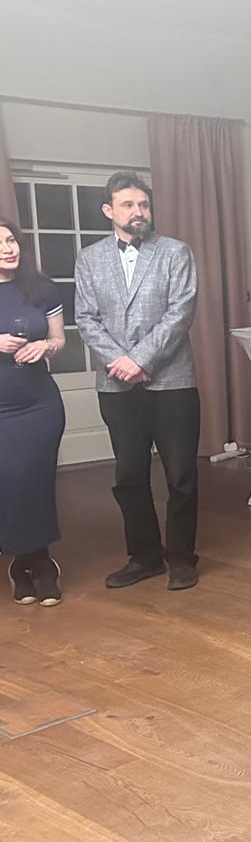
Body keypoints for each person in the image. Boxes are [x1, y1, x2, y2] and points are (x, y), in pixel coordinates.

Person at [74, 172, 201, 591]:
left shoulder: (175, 252)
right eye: (128, 205)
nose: (138, 211)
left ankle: (181, 558)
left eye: (143, 204)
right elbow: (86, 319)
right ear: (108, 210)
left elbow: (180, 313)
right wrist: (122, 363)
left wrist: (141, 359)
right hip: (117, 385)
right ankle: (144, 556)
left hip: (172, 381)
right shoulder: (89, 258)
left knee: (181, 475)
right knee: (129, 475)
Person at [0, 216, 68, 606]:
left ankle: (39, 563)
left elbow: (58, 339)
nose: (8, 248)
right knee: (10, 481)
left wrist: (45, 347)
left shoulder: (42, 288)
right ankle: (26, 560)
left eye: (11, 240)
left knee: (36, 480)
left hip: (40, 403)